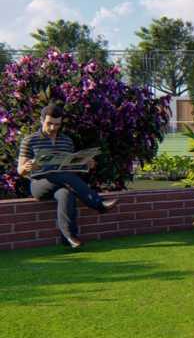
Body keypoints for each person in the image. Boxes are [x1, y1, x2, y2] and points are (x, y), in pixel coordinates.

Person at [16, 103, 118, 249]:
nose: (53, 127)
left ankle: (69, 238)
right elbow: (20, 170)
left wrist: (86, 164)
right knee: (63, 177)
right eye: (49, 123)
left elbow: (70, 166)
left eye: (57, 124)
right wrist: (26, 168)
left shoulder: (66, 140)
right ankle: (98, 203)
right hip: (39, 183)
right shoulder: (30, 140)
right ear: (42, 120)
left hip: (62, 180)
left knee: (66, 193)